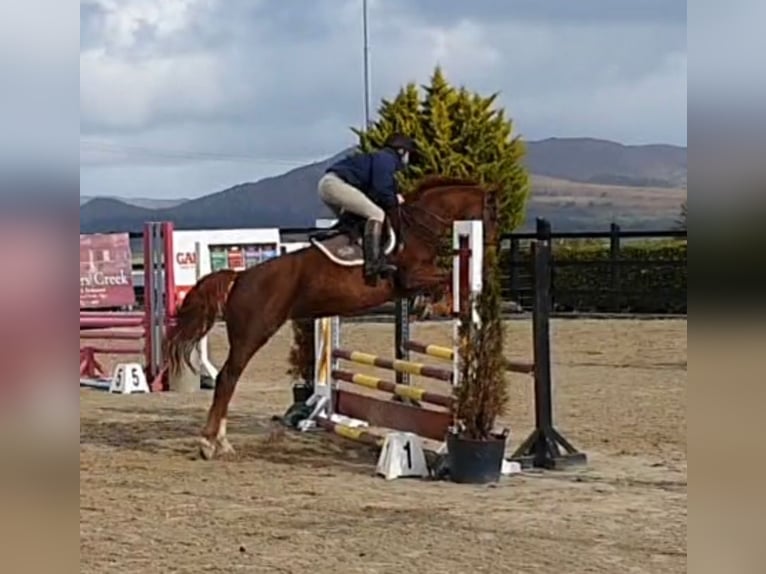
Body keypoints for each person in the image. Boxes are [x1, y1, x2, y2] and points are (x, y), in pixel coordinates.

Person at [317, 133, 416, 278]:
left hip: (329, 184)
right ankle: (373, 264)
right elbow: (382, 190)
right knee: (377, 214)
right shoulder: (387, 159)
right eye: (408, 154)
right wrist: (394, 200)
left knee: (354, 220)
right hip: (335, 184)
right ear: (401, 151)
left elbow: (374, 193)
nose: (408, 160)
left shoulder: (380, 158)